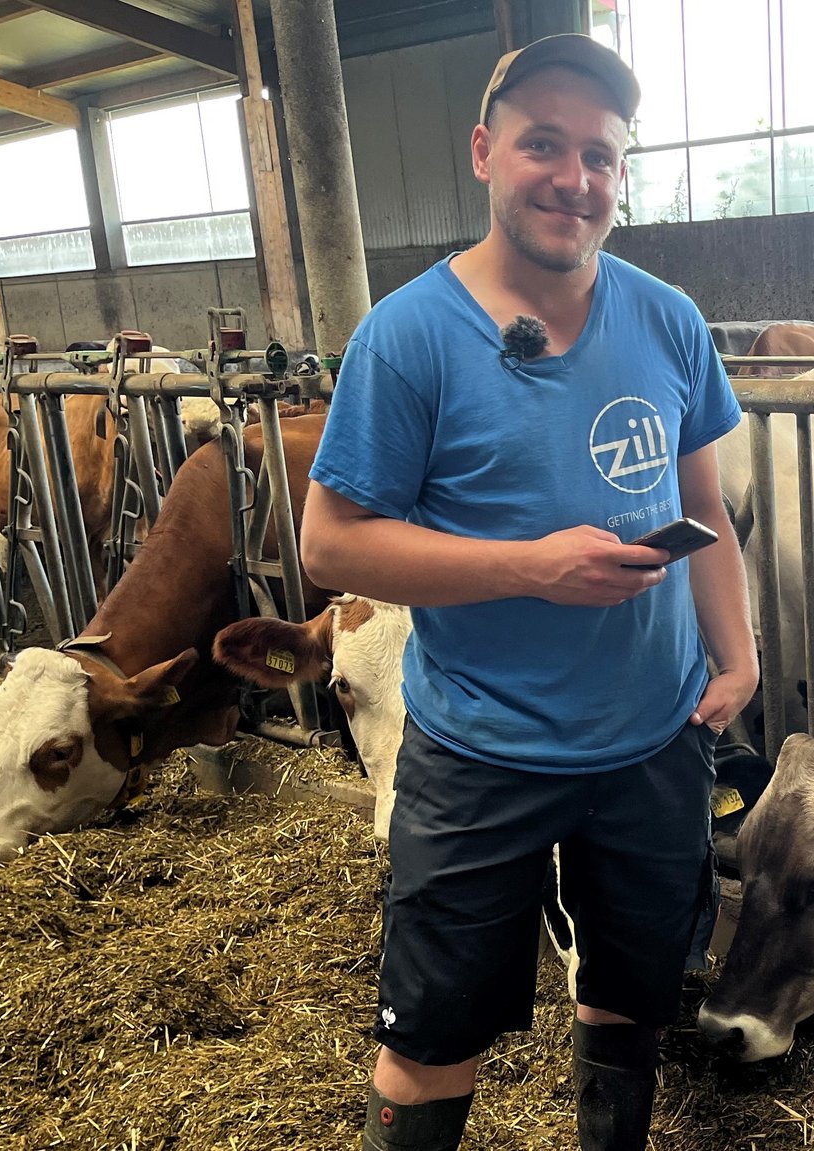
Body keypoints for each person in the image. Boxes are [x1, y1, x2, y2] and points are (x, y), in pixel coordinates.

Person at [299, 32, 757, 1151]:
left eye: (599, 155)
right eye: (542, 144)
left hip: (652, 739)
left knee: (629, 992)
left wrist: (736, 657)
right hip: (479, 748)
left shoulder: (667, 319)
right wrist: (530, 567)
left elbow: (709, 512)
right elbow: (330, 545)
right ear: (483, 152)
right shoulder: (406, 337)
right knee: (428, 1034)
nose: (574, 177)